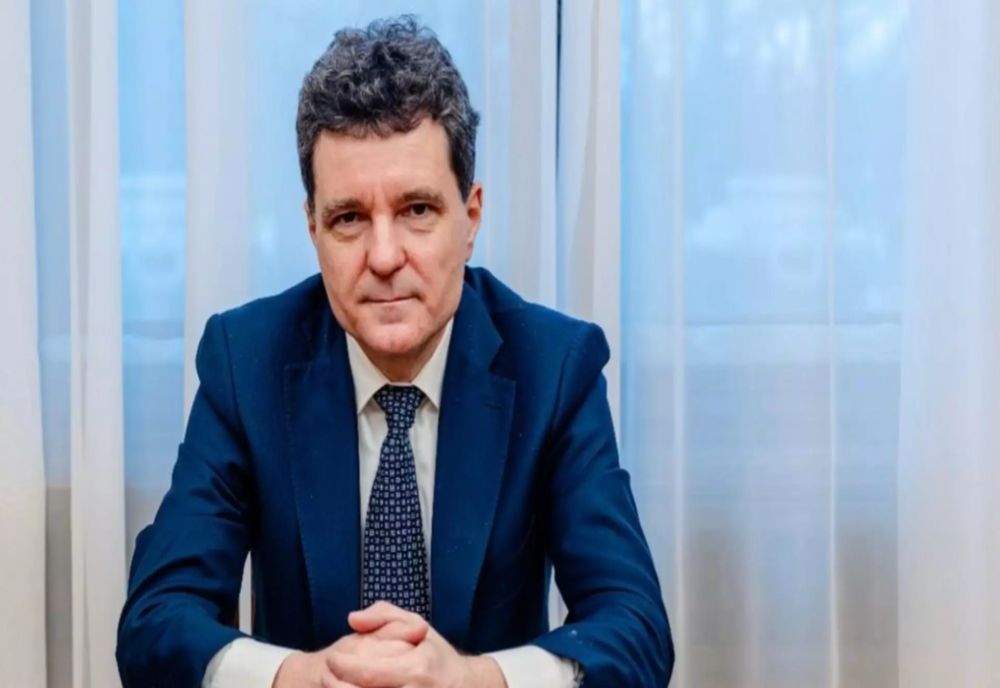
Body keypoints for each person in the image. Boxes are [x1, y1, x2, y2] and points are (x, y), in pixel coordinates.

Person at [116, 16, 673, 688]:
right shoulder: (247, 362)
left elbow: (635, 630)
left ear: (470, 218)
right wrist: (301, 678)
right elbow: (154, 622)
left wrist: (473, 682)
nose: (383, 257)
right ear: (313, 228)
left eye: (417, 210)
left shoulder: (553, 367)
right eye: (349, 218)